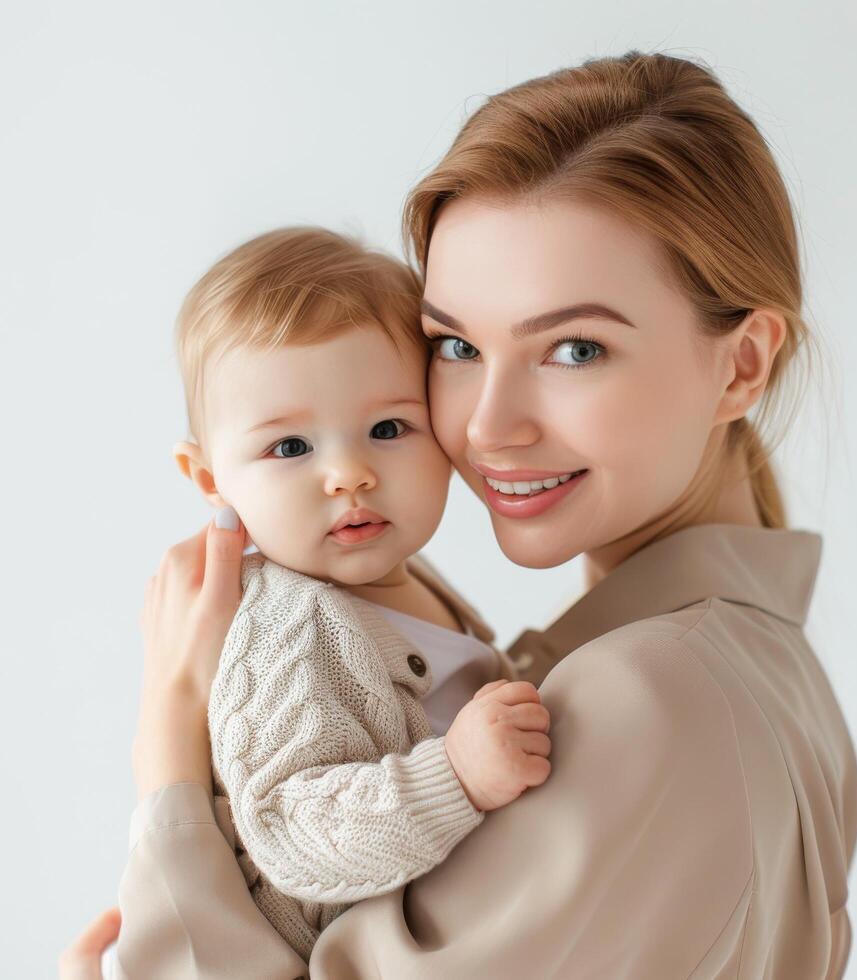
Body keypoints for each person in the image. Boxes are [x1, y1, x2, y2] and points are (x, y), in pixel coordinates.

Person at [67, 50, 857, 978]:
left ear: (741, 364)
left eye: (574, 347)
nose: (486, 425)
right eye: (454, 344)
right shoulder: (748, 669)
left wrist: (168, 744)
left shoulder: (652, 695)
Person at [115, 225, 553, 966]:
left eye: (388, 428)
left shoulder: (410, 579)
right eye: (290, 448)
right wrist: (456, 776)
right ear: (211, 481)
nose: (349, 473)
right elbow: (292, 829)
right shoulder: (289, 627)